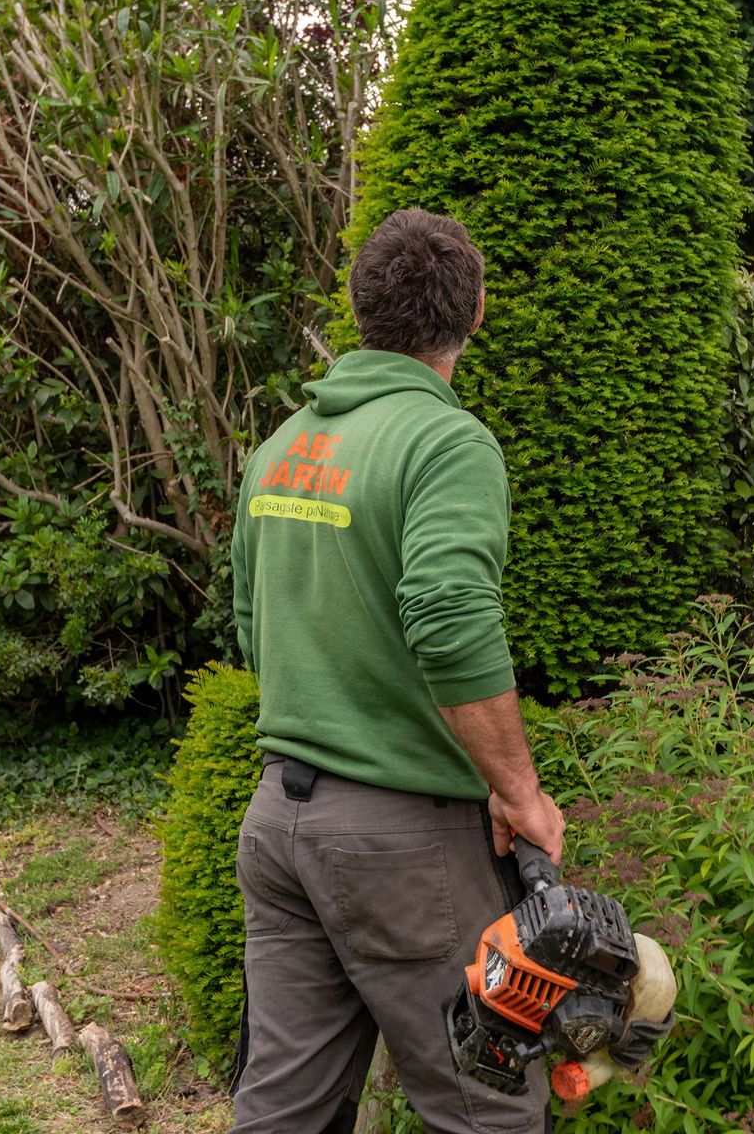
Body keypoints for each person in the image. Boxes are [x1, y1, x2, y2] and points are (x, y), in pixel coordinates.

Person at [228, 207, 566, 1133]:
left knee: (283, 1109)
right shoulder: (444, 444)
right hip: (403, 847)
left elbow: (255, 629)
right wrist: (520, 791)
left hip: (280, 830)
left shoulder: (283, 447)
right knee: (486, 1108)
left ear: (361, 306)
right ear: (476, 313)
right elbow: (452, 616)